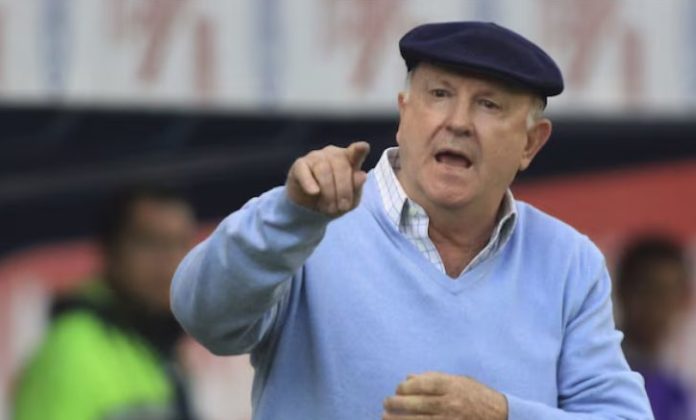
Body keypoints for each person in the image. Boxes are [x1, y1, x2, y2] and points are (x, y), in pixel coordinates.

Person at [171, 21, 653, 419]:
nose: (458, 122)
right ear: (404, 114)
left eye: (488, 104)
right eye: (439, 94)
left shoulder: (568, 262)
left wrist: (502, 415)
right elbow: (203, 316)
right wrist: (289, 216)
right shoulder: (308, 221)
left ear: (531, 143)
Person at [14, 186, 198, 420]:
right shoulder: (73, 347)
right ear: (111, 251)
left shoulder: (158, 344)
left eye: (180, 244)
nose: (169, 261)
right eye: (149, 243)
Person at [616, 235, 695, 420]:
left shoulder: (679, 385)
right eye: (650, 291)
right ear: (623, 291)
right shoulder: (599, 371)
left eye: (671, 294)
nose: (661, 306)